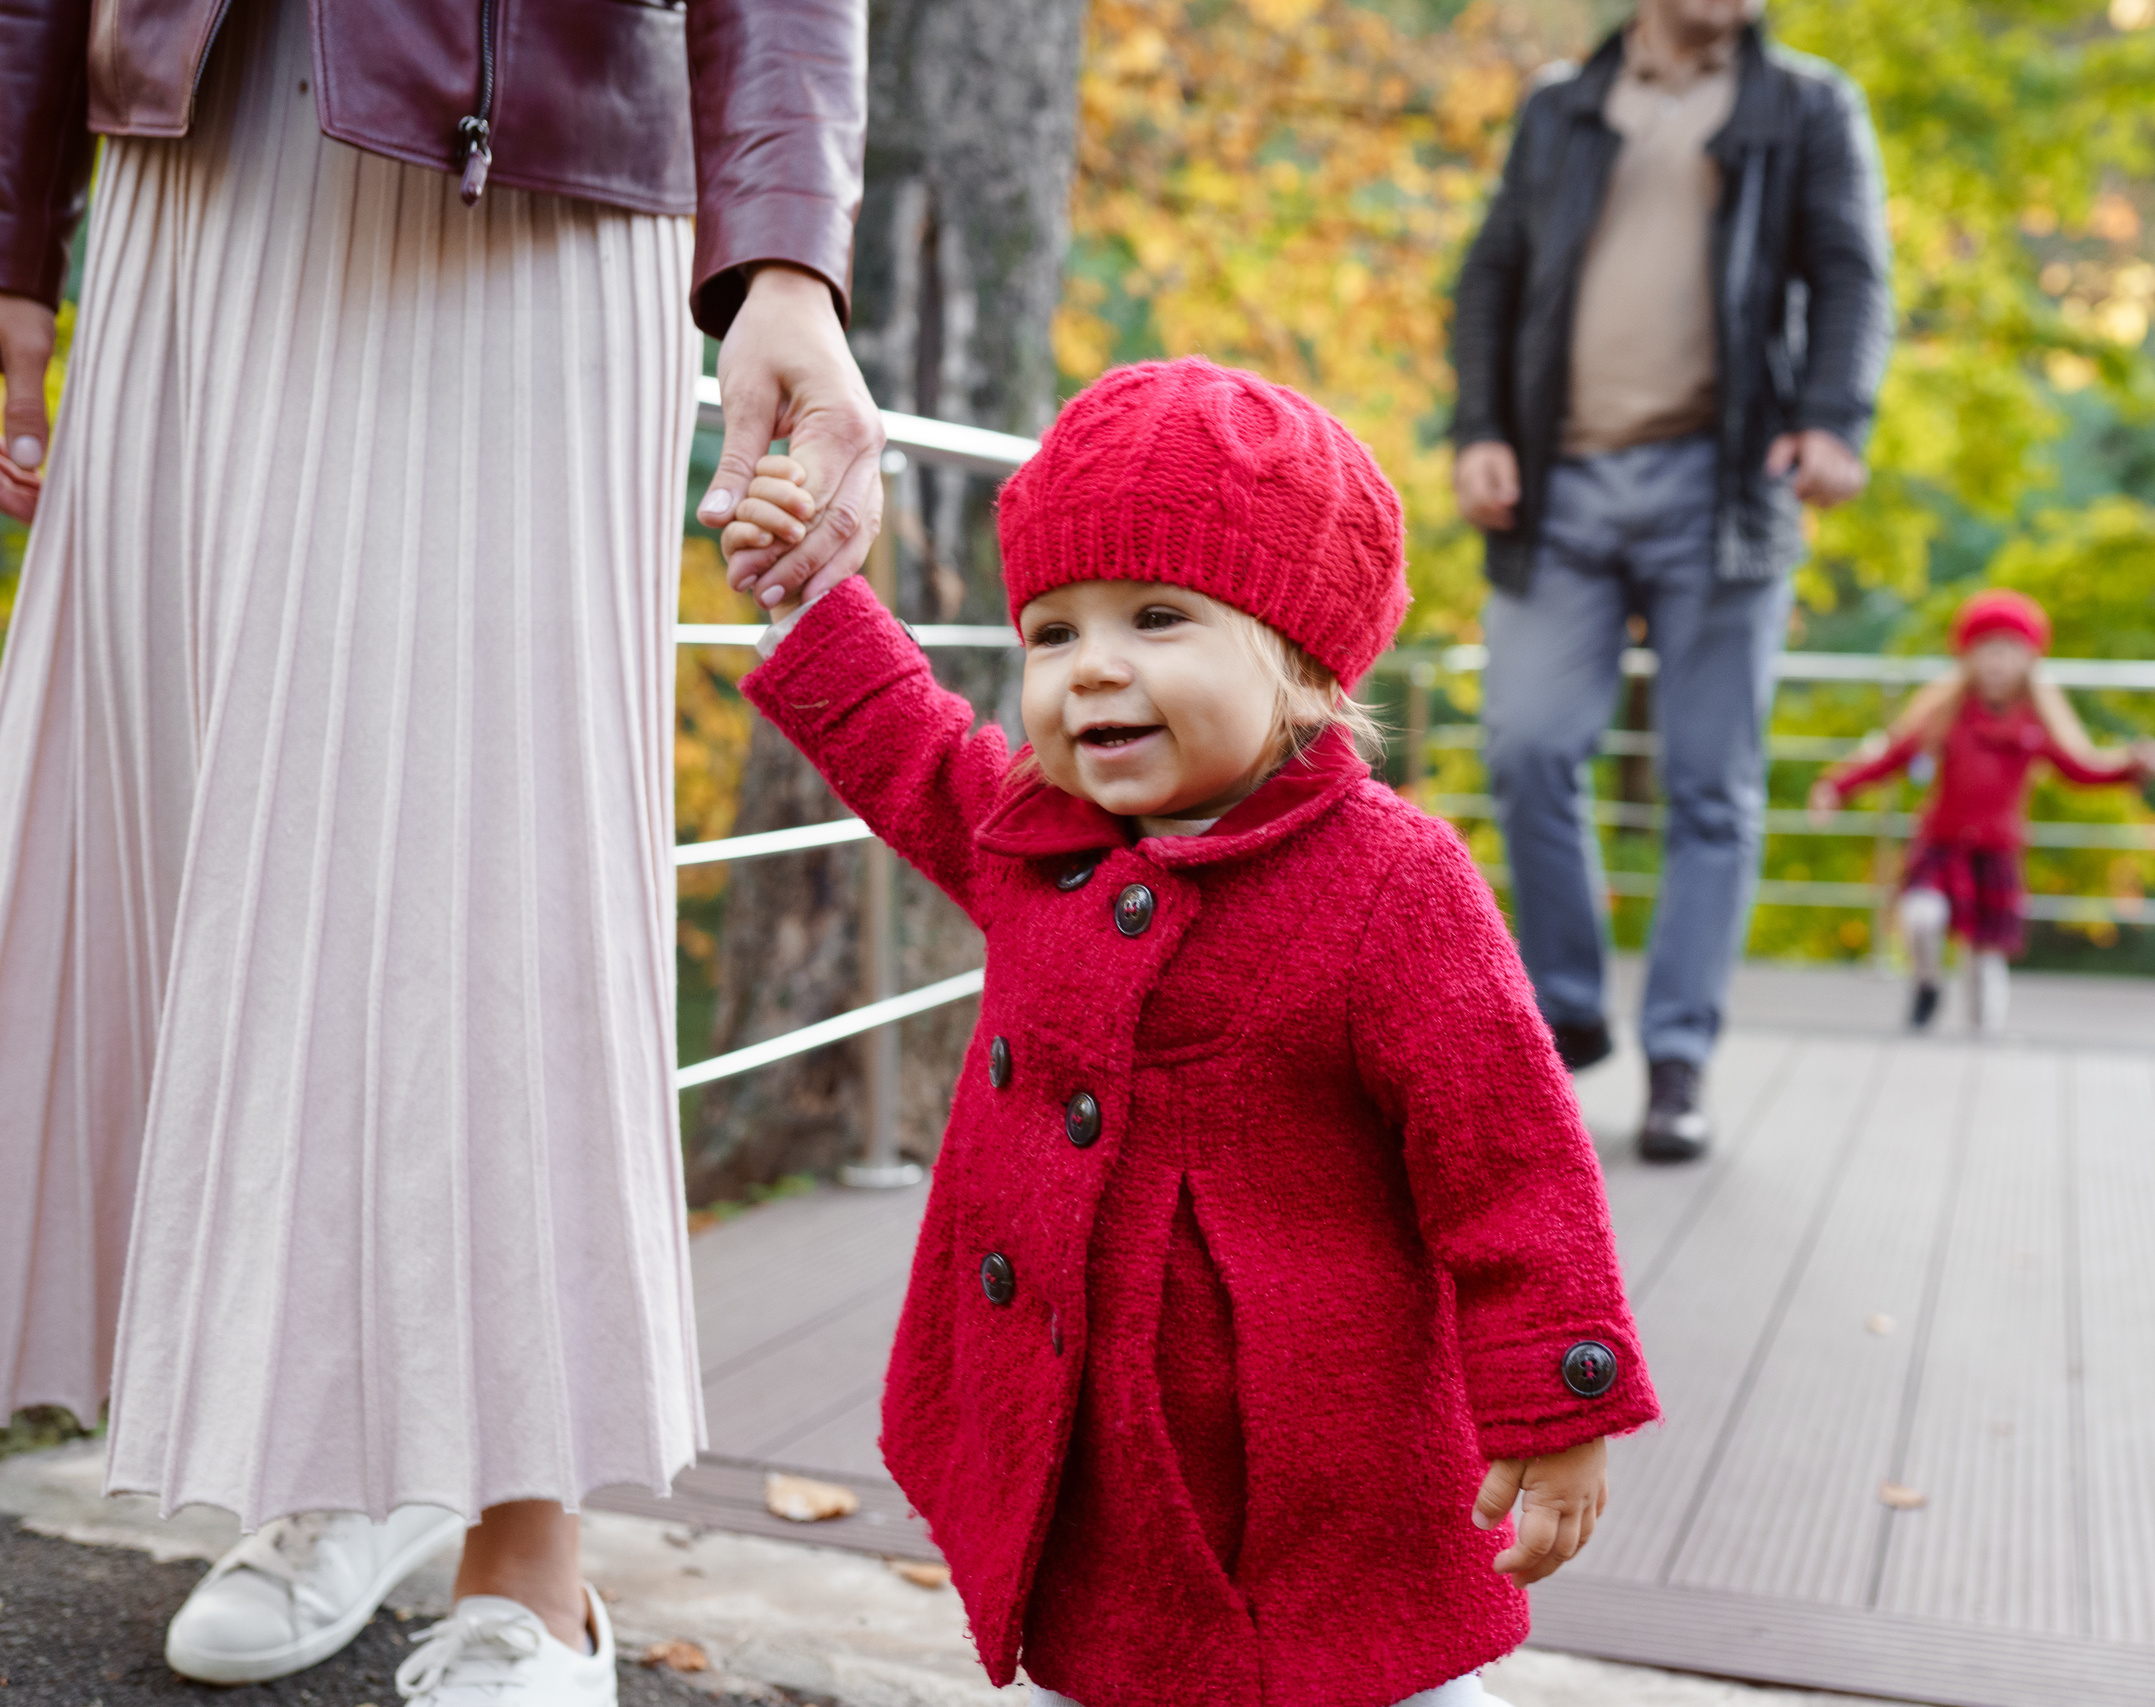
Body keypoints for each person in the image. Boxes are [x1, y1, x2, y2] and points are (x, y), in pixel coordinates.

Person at [0, 0, 878, 1697]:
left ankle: (531, 1553)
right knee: (213, 811)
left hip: (533, 165)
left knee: (504, 824)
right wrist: (12, 253)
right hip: (198, 159)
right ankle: (343, 1448)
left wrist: (787, 256)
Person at [723, 358, 1659, 1707]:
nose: (1092, 666)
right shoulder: (1038, 836)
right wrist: (808, 594)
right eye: (1051, 632)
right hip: (1095, 1414)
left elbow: (1510, 1155)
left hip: (1315, 1455)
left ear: (1299, 660)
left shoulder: (1392, 879)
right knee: (1106, 1636)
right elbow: (915, 748)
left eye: (1158, 617)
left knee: (1361, 1665)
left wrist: (1557, 1399)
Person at [1449, 0, 1893, 1164]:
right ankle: (1569, 1006)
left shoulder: (1803, 106)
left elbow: (1850, 273)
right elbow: (1492, 274)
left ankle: (1681, 1056)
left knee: (1711, 786)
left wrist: (1834, 420)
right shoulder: (1563, 105)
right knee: (1529, 744)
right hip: (1560, 483)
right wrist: (1481, 427)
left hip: (1724, 485)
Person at [1810, 590, 2155, 1036]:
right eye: (1988, 650)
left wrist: (2129, 768)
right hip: (1941, 841)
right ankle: (1927, 982)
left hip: (1996, 850)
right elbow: (1893, 755)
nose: (1998, 663)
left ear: (2029, 660)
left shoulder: (2036, 722)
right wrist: (1836, 787)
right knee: (1921, 918)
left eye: (2010, 651)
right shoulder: (1946, 714)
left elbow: (2081, 769)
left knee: (1985, 957)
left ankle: (1984, 1037)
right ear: (1968, 657)